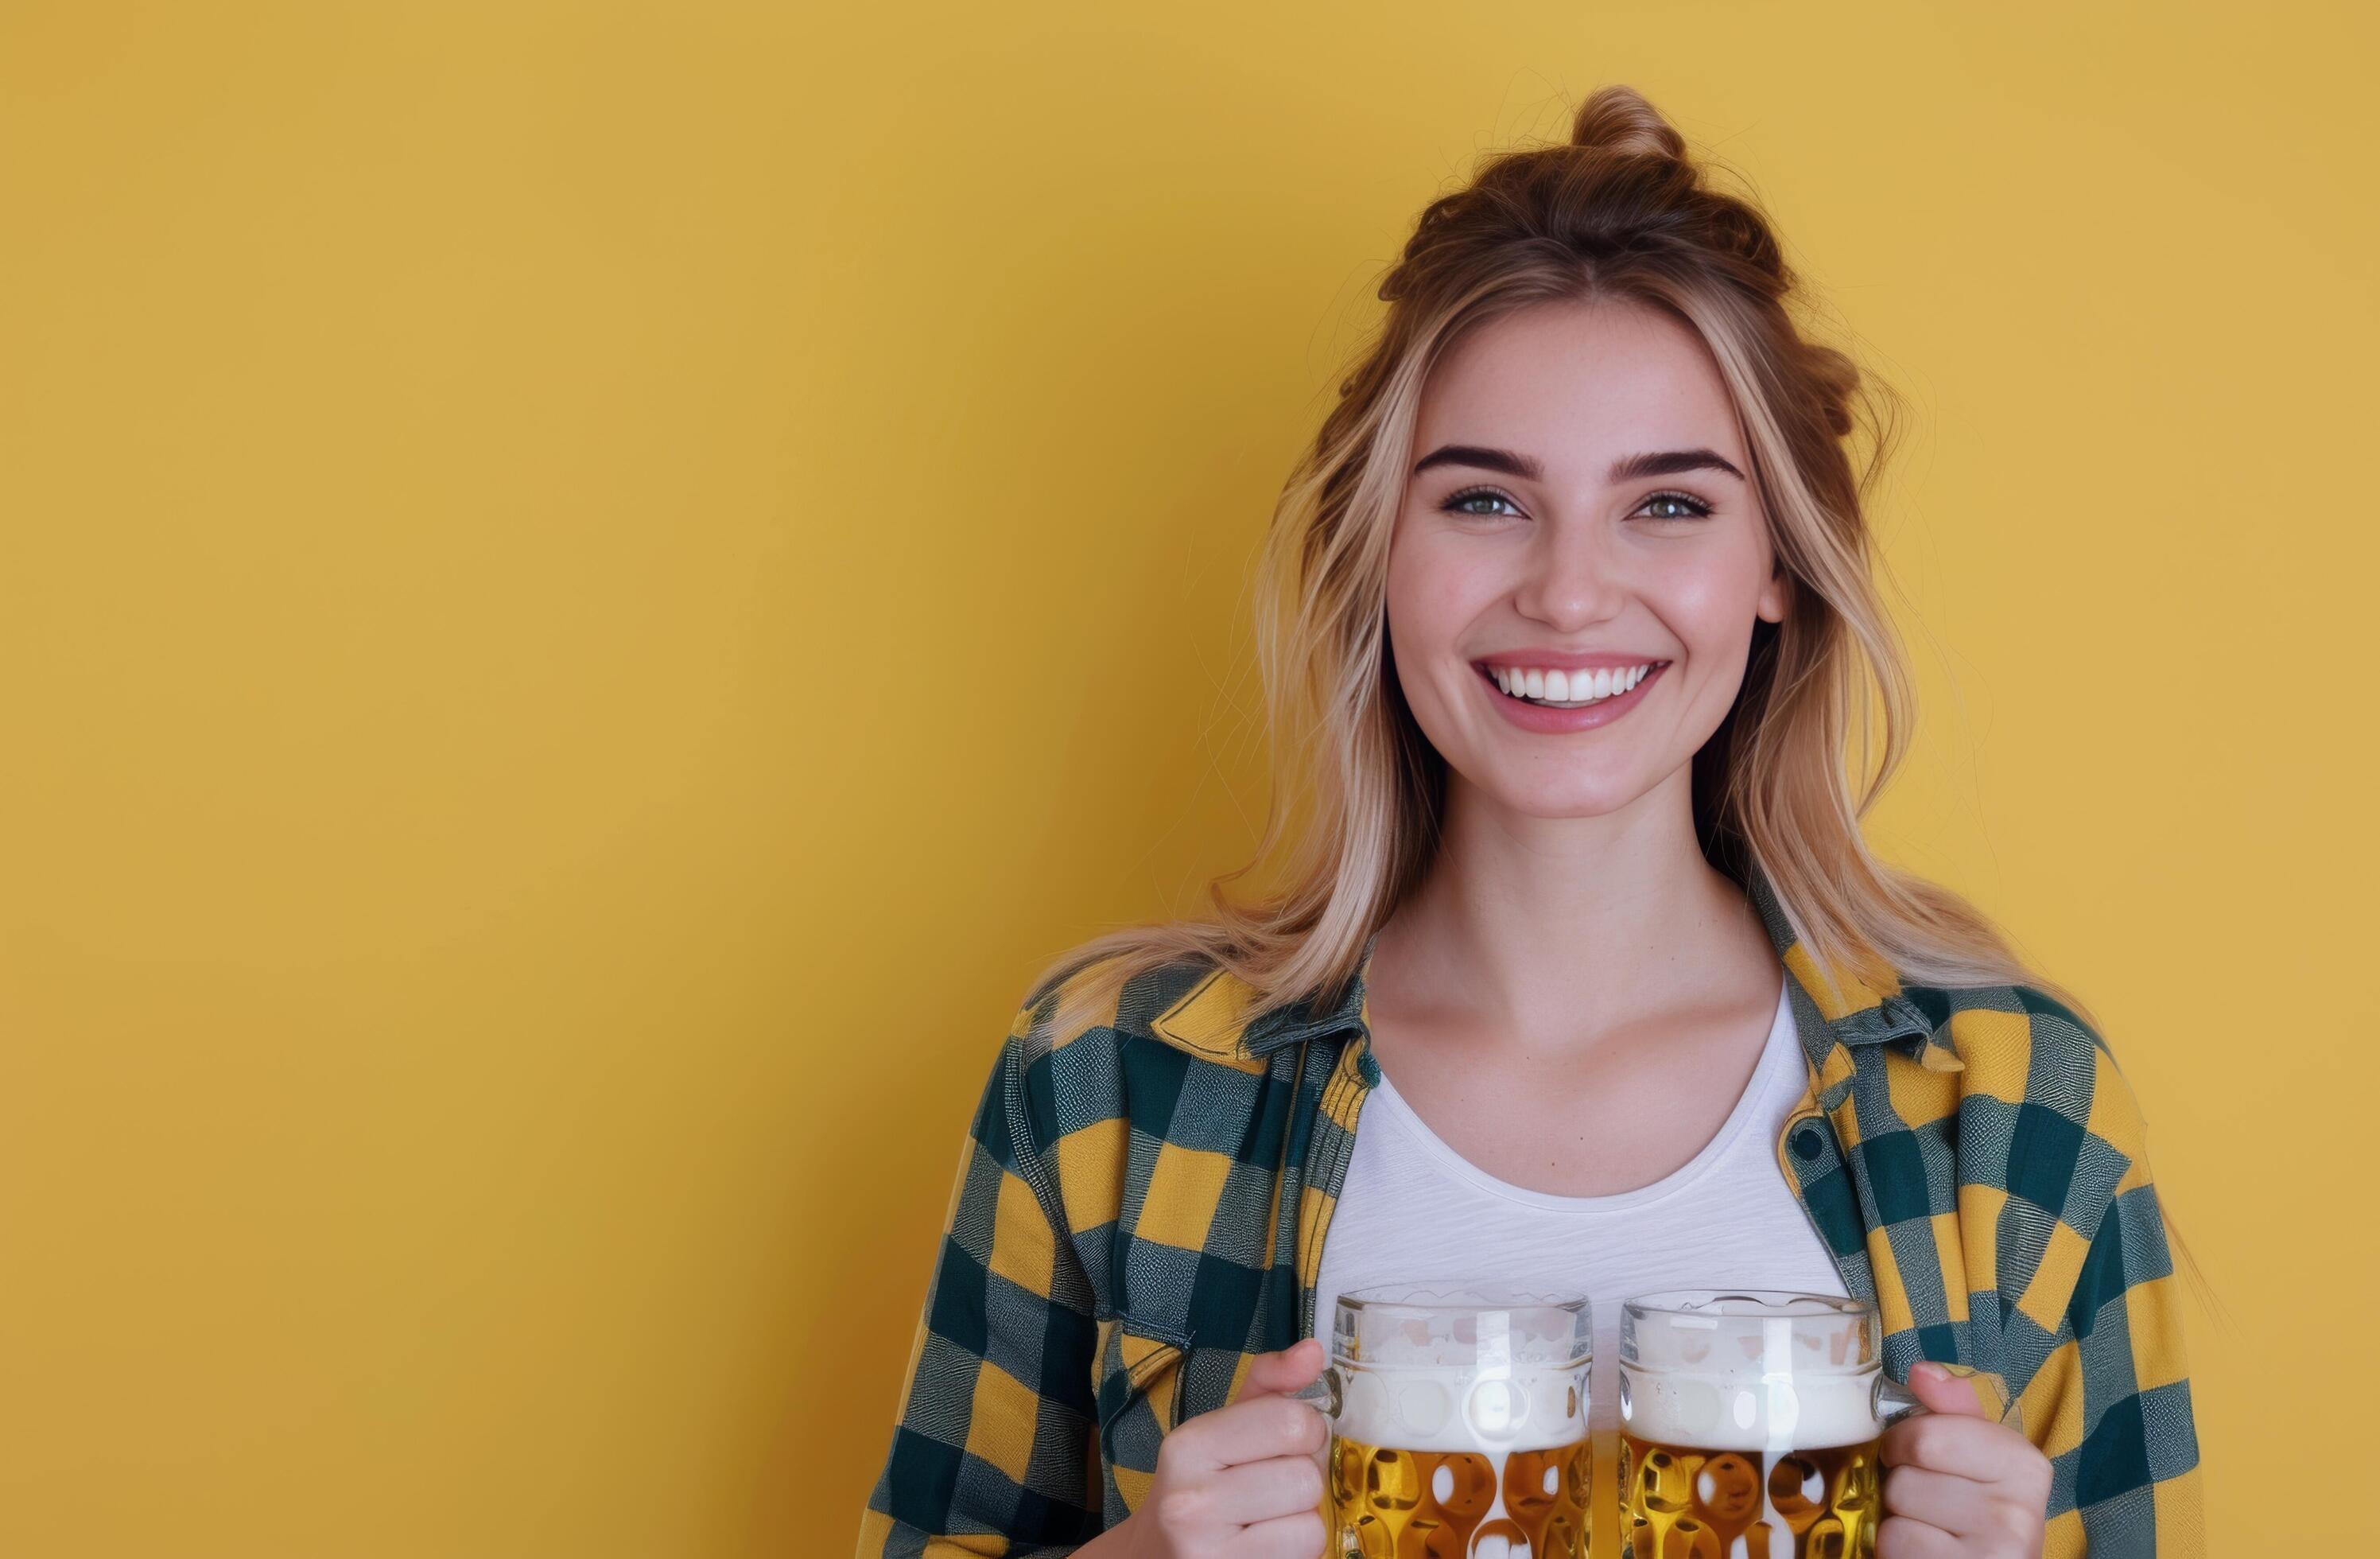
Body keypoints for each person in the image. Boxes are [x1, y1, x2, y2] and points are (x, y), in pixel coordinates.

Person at [855, 83, 2201, 1559]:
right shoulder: (1109, 1081)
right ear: (1377, 549)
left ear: (1777, 565)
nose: (1568, 591)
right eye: (1484, 502)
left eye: (1669, 506)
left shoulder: (2012, 1117)